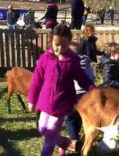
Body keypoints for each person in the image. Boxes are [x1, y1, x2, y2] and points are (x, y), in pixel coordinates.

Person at [27, 24, 95, 156]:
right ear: (51, 40)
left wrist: (94, 90)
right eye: (57, 44)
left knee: (51, 132)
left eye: (64, 45)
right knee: (42, 129)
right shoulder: (45, 58)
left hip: (62, 103)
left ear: (69, 43)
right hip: (45, 101)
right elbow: (36, 80)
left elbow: (82, 78)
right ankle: (64, 143)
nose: (60, 48)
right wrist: (31, 99)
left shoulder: (72, 60)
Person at [64, 42, 95, 152]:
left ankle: (75, 140)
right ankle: (77, 138)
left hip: (75, 93)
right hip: (89, 94)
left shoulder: (71, 64)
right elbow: (92, 77)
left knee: (68, 118)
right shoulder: (88, 63)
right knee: (79, 117)